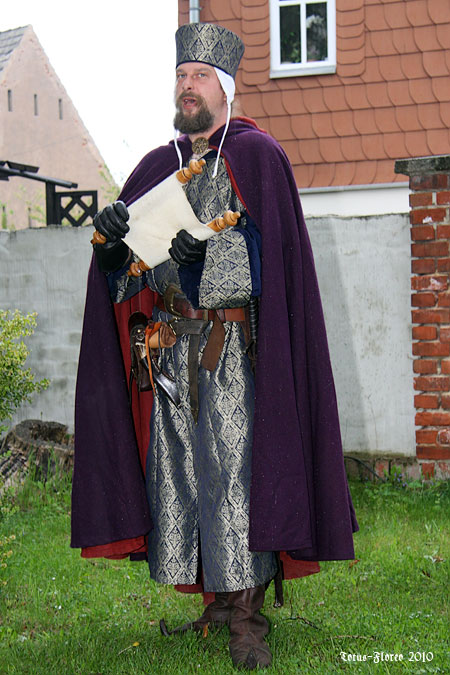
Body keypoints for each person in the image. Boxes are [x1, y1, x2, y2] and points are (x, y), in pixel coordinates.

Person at [71, 22, 358, 671]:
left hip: (233, 349)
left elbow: (272, 261)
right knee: (182, 476)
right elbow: (128, 275)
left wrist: (209, 257)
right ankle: (217, 604)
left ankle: (247, 617)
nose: (188, 85)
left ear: (224, 87)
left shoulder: (259, 157)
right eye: (181, 75)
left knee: (235, 477)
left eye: (200, 75)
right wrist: (112, 246)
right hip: (171, 349)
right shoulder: (156, 165)